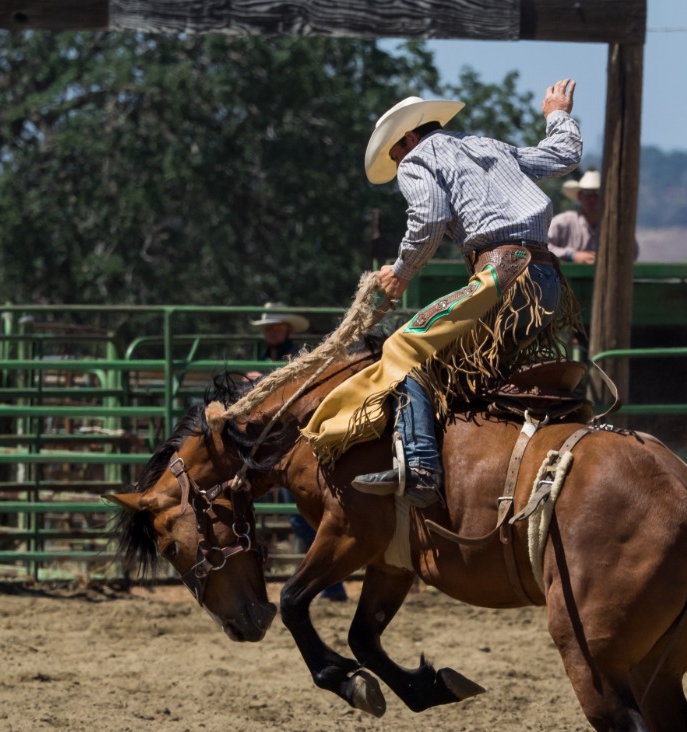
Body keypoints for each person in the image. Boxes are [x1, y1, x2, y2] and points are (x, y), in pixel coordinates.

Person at [302, 79, 583, 508]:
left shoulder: (417, 159)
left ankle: (420, 468)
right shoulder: (489, 145)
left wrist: (400, 273)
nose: (400, 166)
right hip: (544, 283)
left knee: (404, 349)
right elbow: (564, 156)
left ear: (409, 138)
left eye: (396, 155)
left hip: (501, 281)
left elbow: (430, 217)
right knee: (469, 369)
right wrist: (556, 113)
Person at [250, 303, 347, 601]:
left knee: (304, 517)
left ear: (287, 330)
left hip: (293, 443)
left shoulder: (297, 357)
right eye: (269, 328)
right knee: (300, 519)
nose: (273, 332)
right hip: (273, 445)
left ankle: (331, 584)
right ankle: (330, 585)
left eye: (277, 327)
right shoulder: (261, 357)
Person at [548, 169, 601, 264]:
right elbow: (542, 246)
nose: (592, 199)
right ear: (580, 196)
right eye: (587, 193)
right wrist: (571, 255)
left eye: (597, 194)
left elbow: (633, 251)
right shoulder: (563, 221)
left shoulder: (612, 226)